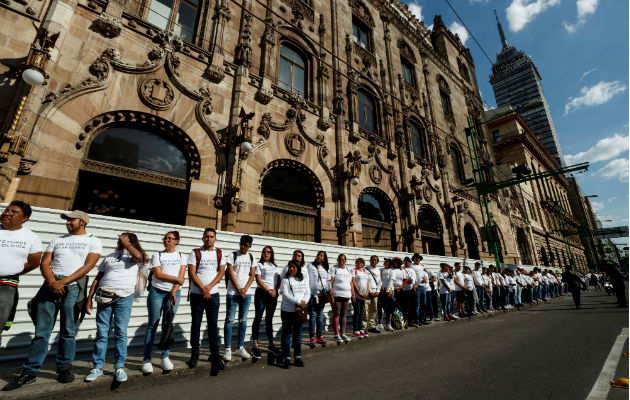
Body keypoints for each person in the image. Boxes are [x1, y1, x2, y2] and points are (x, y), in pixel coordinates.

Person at [4, 210, 101, 391]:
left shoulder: (93, 240)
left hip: (73, 287)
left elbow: (89, 265)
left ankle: (64, 368)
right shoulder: (58, 239)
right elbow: (44, 262)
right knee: (42, 331)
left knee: (68, 331)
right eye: (66, 220)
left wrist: (63, 282)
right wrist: (53, 282)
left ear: (83, 222)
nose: (67, 223)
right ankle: (30, 372)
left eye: (71, 220)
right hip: (50, 286)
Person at [84, 232, 148, 383]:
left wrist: (127, 244)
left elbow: (139, 258)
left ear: (131, 241)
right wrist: (89, 298)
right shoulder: (110, 256)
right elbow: (98, 278)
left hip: (124, 297)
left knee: (120, 332)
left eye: (123, 238)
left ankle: (119, 367)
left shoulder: (134, 256)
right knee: (102, 332)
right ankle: (97, 367)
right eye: (120, 239)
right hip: (104, 296)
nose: (119, 240)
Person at [142, 231, 186, 374]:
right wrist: (177, 280)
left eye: (170, 239)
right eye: (165, 238)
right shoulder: (157, 255)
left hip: (173, 293)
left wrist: (174, 290)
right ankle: (146, 359)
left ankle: (164, 357)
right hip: (157, 292)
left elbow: (181, 277)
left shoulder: (181, 256)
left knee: (167, 325)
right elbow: (158, 274)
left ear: (176, 241)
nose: (166, 241)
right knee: (153, 325)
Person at [0, 201, 42, 343]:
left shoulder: (31, 237)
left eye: (14, 212)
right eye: (7, 210)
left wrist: (12, 270)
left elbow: (34, 262)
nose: (7, 213)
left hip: (6, 286)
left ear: (24, 218)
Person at [187, 228, 226, 374]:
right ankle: (195, 354)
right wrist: (203, 288)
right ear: (203, 238)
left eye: (211, 237)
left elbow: (221, 272)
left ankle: (214, 356)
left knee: (213, 326)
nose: (209, 239)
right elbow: (191, 273)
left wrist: (209, 287)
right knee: (195, 325)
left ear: (215, 239)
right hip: (197, 294)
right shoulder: (195, 253)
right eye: (206, 236)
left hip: (213, 295)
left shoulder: (219, 253)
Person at [223, 235, 256, 361]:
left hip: (246, 293)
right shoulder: (232, 255)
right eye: (241, 244)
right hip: (233, 292)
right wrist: (238, 289)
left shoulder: (252, 257)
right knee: (229, 320)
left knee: (243, 321)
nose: (242, 246)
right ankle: (227, 348)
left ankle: (240, 347)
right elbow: (230, 273)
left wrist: (245, 289)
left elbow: (252, 275)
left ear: (250, 246)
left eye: (245, 245)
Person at [251, 245, 281, 360]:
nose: (266, 254)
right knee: (258, 317)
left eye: (268, 252)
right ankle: (255, 345)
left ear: (271, 254)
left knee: (269, 319)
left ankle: (270, 344)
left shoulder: (275, 266)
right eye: (264, 252)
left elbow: (278, 280)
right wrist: (268, 290)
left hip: (273, 295)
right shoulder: (259, 265)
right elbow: (258, 279)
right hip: (262, 294)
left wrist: (275, 290)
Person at [279, 260, 310, 368]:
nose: (291, 269)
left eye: (293, 267)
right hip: (287, 311)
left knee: (298, 335)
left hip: (299, 312)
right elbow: (285, 295)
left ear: (298, 268)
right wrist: (298, 302)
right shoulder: (285, 280)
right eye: (290, 267)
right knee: (287, 334)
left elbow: (308, 292)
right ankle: (287, 358)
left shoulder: (304, 280)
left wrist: (303, 302)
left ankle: (297, 357)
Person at [307, 251, 330, 347]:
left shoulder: (325, 268)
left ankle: (319, 336)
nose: (319, 256)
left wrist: (327, 290)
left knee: (320, 317)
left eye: (321, 256)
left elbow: (328, 281)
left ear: (324, 258)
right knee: (313, 316)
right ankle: (312, 337)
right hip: (312, 295)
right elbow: (306, 279)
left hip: (322, 296)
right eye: (318, 255)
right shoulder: (310, 266)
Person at [330, 254, 354, 343]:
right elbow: (329, 282)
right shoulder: (334, 269)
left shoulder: (348, 270)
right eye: (340, 259)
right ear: (337, 260)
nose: (341, 261)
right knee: (336, 314)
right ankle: (336, 334)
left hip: (346, 295)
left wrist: (353, 295)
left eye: (343, 259)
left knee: (343, 315)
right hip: (337, 296)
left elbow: (351, 283)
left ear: (345, 261)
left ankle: (342, 333)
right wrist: (330, 293)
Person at [363, 255, 382, 333]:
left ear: (377, 262)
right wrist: (370, 291)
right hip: (368, 293)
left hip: (376, 293)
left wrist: (377, 291)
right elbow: (365, 281)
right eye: (372, 260)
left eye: (375, 260)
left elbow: (379, 282)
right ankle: (363, 327)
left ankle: (372, 326)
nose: (373, 261)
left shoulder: (378, 270)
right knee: (365, 310)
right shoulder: (365, 269)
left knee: (373, 310)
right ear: (370, 261)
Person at [352, 258, 370, 338]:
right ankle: (355, 330)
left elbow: (367, 283)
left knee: (361, 313)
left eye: (361, 262)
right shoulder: (354, 270)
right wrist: (358, 292)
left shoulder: (365, 271)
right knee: (357, 312)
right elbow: (353, 281)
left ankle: (360, 328)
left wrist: (367, 292)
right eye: (358, 262)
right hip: (357, 295)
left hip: (364, 295)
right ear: (356, 263)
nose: (359, 264)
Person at [410, 253, 427, 326]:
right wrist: (414, 285)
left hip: (423, 287)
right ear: (413, 259)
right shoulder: (411, 266)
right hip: (416, 287)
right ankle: (417, 320)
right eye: (416, 258)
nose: (417, 259)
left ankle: (422, 319)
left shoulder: (422, 266)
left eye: (419, 258)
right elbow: (411, 276)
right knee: (417, 305)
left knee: (424, 304)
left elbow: (424, 275)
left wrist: (425, 278)